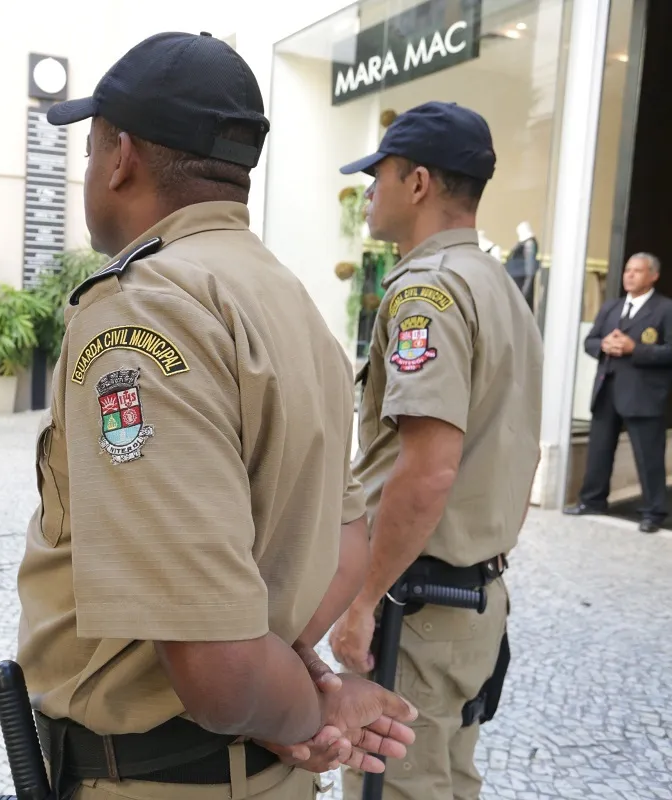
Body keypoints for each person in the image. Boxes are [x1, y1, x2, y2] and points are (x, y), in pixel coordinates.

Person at [15, 32, 417, 800]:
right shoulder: (293, 304)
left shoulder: (144, 310)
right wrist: (304, 684)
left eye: (91, 150)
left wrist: (305, 713)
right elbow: (344, 546)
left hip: (157, 779)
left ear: (120, 156)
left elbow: (221, 674)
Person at [328, 102, 543, 800]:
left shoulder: (428, 292)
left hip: (416, 609)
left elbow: (427, 469)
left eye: (379, 176)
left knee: (393, 786)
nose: (370, 192)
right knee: (447, 782)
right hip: (472, 598)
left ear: (417, 183)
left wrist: (363, 600)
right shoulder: (498, 288)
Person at [566, 252, 672, 533]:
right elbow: (590, 341)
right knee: (599, 451)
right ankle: (592, 500)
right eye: (627, 270)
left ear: (653, 276)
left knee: (648, 456)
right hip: (607, 389)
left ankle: (654, 511)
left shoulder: (665, 310)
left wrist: (634, 349)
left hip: (643, 394)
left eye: (638, 271)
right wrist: (603, 345)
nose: (630, 275)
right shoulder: (612, 308)